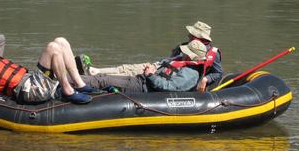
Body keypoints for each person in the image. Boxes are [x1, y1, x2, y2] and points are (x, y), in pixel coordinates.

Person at [79, 21, 222, 92]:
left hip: (159, 80)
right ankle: (95, 71)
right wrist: (155, 67)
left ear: (199, 37)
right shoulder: (186, 46)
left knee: (111, 79)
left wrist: (205, 79)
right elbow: (171, 61)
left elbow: (218, 73)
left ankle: (90, 78)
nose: (189, 35)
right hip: (160, 70)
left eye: (192, 34)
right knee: (127, 69)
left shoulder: (210, 56)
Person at [0, 34, 100, 104]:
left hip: (33, 82)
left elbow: (1, 38)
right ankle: (68, 91)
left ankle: (79, 84)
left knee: (60, 41)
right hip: (28, 91)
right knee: (52, 47)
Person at [80, 39, 211, 93]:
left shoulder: (190, 73)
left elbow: (169, 87)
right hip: (141, 80)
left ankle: (67, 81)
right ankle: (72, 80)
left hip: (144, 87)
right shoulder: (185, 65)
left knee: (104, 80)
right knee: (103, 77)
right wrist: (154, 70)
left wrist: (150, 75)